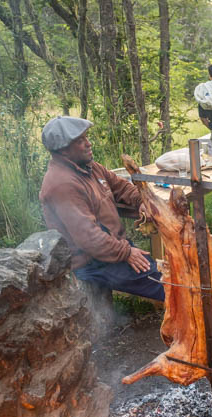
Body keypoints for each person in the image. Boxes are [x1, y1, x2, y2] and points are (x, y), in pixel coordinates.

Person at [38, 116, 164, 302]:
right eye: (81, 141)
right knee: (169, 286)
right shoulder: (62, 184)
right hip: (92, 262)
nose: (89, 144)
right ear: (63, 150)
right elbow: (89, 238)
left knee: (169, 275)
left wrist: (141, 201)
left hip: (112, 248)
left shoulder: (89, 167)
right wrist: (127, 252)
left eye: (86, 137)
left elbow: (122, 187)